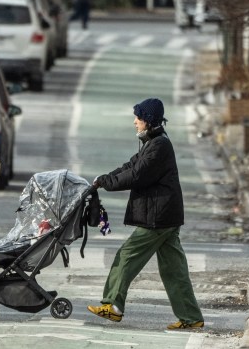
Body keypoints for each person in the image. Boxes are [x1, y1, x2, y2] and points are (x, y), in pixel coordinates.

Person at [87, 98, 204, 330]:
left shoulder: (159, 146)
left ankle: (113, 306)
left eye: (138, 119)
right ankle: (191, 317)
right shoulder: (153, 143)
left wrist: (107, 183)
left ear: (148, 121)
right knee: (174, 270)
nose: (134, 122)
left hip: (158, 217)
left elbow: (137, 175)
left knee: (127, 257)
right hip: (166, 216)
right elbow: (129, 166)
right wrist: (103, 179)